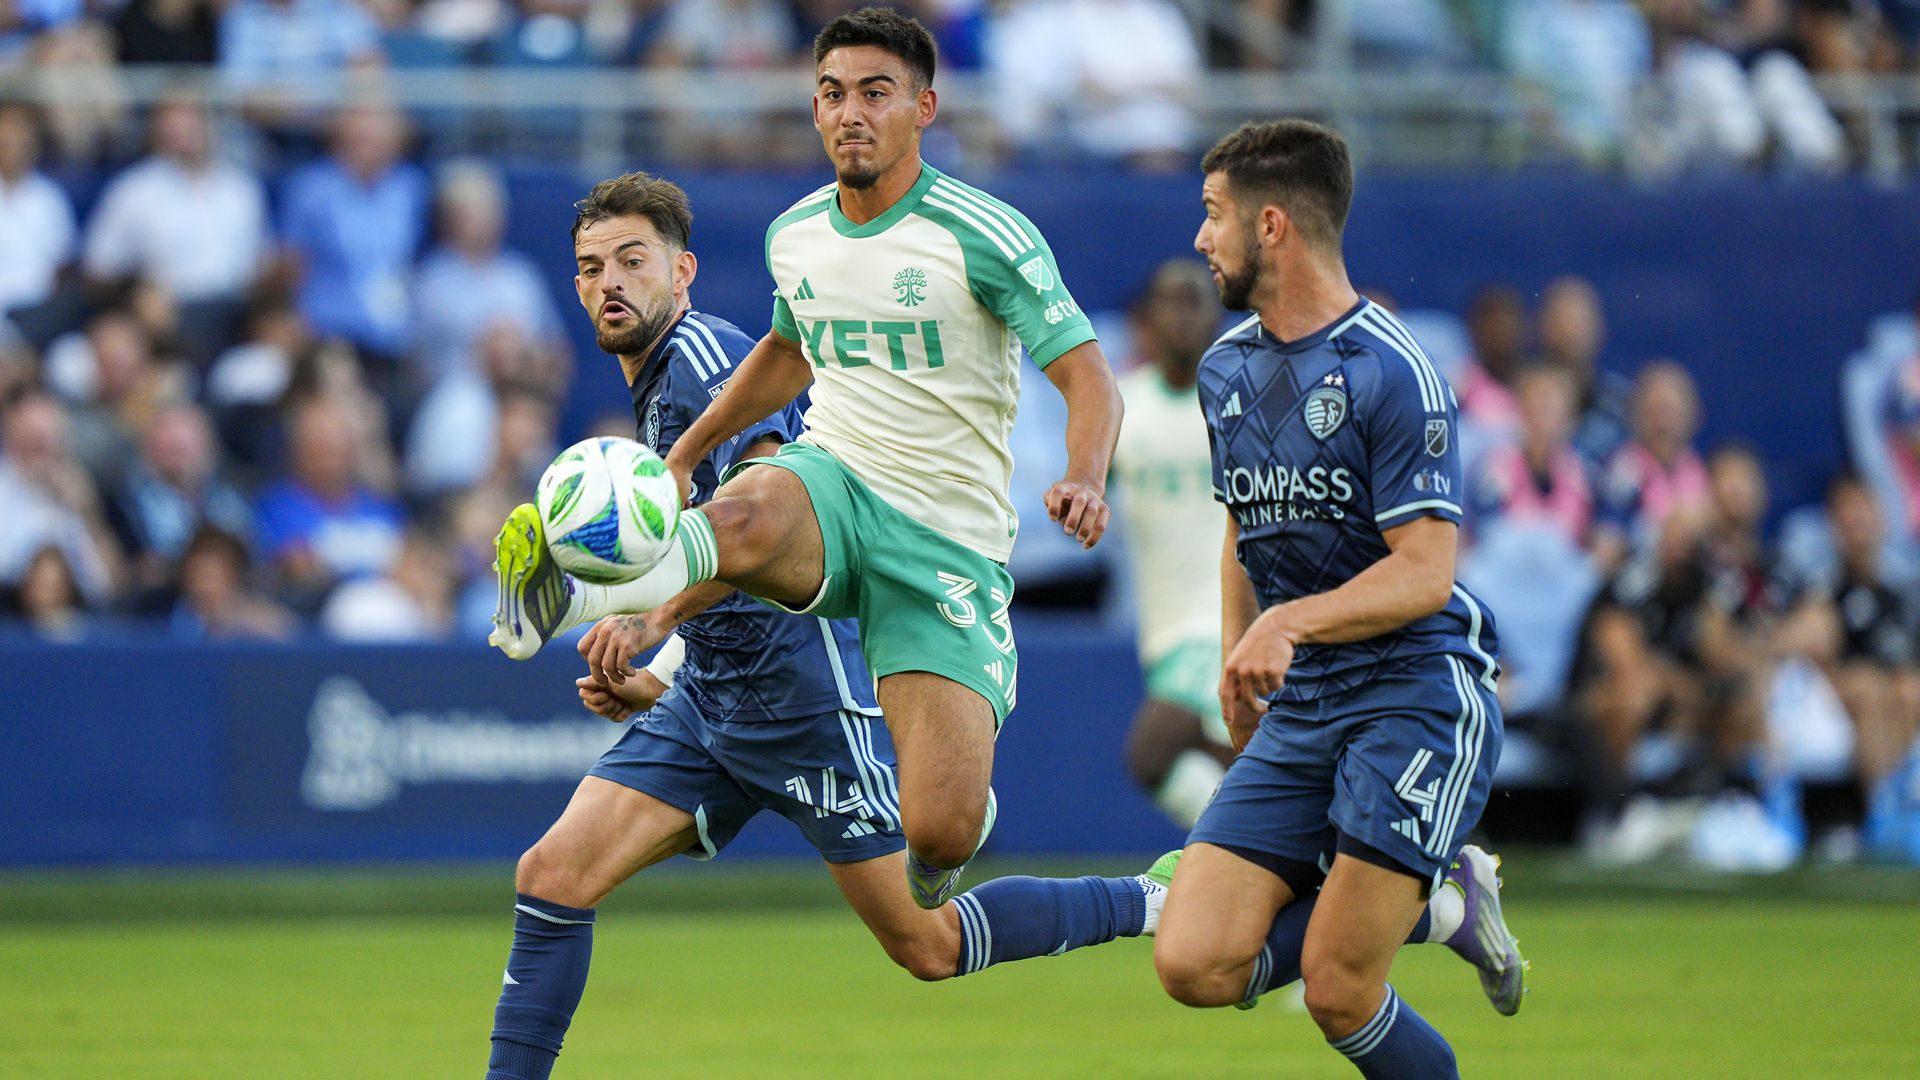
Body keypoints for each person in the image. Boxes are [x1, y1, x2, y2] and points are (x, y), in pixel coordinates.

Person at [482, 171, 1163, 1080]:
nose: (611, 281)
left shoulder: (702, 363)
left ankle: (1150, 898)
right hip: (712, 701)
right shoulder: (656, 385)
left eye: (632, 261)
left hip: (805, 697)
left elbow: (761, 521)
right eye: (591, 266)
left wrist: (651, 618)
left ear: (681, 271)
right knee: (551, 877)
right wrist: (673, 669)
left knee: (929, 944)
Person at [491, 8, 1125, 913]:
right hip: (835, 477)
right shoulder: (799, 234)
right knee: (748, 507)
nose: (850, 113)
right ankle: (601, 594)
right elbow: (787, 356)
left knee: (938, 835)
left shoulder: (984, 231)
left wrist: (1085, 473)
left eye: (876, 93)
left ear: (925, 107)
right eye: (832, 94)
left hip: (941, 538)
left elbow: (1092, 377)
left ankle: (957, 821)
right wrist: (686, 456)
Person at [1150, 120, 1526, 1079]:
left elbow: (1425, 571)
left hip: (1416, 690)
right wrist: (1241, 659)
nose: (1201, 241)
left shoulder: (1390, 369)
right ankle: (1443, 904)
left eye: (1213, 215)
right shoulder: (1228, 368)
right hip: (1306, 696)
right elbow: (1244, 526)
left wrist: (1287, 623)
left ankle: (1417, 903)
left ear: (1272, 225)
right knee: (1193, 963)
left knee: (1337, 989)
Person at [1109, 259, 1236, 828]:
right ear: (1145, 320)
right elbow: (1081, 481)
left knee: (1151, 755)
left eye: (1196, 301)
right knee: (1233, 769)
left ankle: (1236, 862)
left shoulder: (1238, 404)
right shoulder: (1121, 406)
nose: (1182, 315)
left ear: (1216, 316)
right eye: (1170, 301)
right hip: (1163, 634)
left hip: (1230, 622)